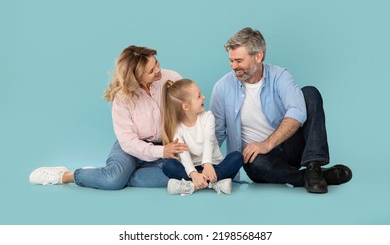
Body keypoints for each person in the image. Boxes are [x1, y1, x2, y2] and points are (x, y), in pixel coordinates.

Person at [210, 27, 352, 194]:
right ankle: (314, 177)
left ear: (258, 56)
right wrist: (200, 165)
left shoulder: (279, 76)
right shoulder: (222, 87)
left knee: (309, 93)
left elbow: (298, 111)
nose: (234, 66)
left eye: (239, 61)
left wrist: (267, 144)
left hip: (291, 148)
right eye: (231, 60)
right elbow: (216, 133)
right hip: (261, 162)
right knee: (249, 160)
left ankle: (314, 165)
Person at [29, 45, 188, 190]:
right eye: (151, 71)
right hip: (132, 148)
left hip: (168, 145)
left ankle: (110, 174)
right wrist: (162, 151)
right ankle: (66, 175)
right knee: (113, 181)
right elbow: (128, 142)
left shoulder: (173, 78)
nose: (158, 70)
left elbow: (188, 115)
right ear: (135, 77)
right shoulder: (123, 98)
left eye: (157, 64)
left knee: (184, 174)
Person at [161, 79, 243, 195]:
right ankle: (213, 183)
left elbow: (208, 142)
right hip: (192, 169)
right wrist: (193, 174)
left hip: (213, 167)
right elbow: (184, 155)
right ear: (185, 107)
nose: (203, 97)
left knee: (237, 157)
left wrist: (207, 164)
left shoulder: (208, 117)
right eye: (199, 96)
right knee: (167, 165)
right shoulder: (177, 128)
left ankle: (192, 185)